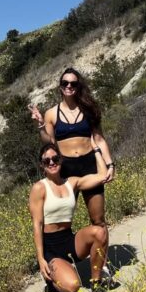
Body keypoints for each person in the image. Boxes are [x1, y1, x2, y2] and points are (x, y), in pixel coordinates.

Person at [28, 67, 116, 229]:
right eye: (65, 83)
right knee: (61, 222)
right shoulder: (51, 114)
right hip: (66, 169)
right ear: (60, 86)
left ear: (78, 86)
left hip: (90, 165)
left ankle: (101, 246)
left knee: (98, 220)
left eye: (73, 84)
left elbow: (99, 139)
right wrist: (41, 125)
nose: (69, 86)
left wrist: (110, 165)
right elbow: (49, 143)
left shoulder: (89, 110)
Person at [28, 143, 111, 292]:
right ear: (42, 165)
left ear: (61, 160)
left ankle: (96, 283)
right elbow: (37, 225)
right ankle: (51, 285)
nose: (52, 163)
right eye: (47, 161)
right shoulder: (39, 188)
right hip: (51, 248)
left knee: (100, 232)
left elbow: (102, 176)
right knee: (73, 287)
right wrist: (40, 259)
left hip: (69, 240)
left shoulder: (72, 183)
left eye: (55, 159)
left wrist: (96, 149)